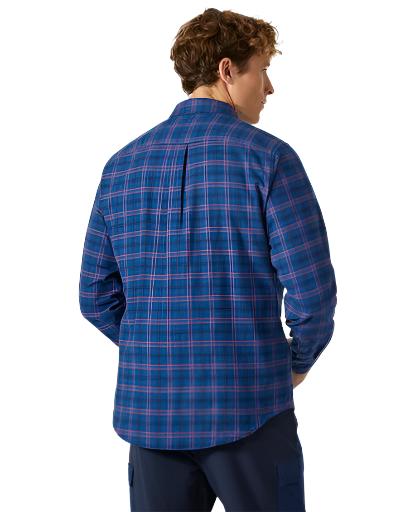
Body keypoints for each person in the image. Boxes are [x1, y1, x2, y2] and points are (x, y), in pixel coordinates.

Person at [79, 7, 337, 511]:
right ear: (226, 70)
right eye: (262, 69)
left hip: (151, 416)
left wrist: (155, 350)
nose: (269, 87)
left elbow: (95, 295)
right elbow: (311, 292)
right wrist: (297, 361)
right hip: (250, 409)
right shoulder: (269, 158)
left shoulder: (121, 166)